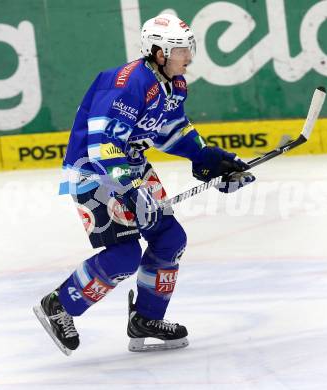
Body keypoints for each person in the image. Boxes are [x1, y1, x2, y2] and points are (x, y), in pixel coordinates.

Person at [33, 13, 255, 355]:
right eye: (180, 49)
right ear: (158, 51)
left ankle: (146, 318)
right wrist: (132, 191)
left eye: (188, 48)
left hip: (132, 166)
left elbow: (172, 133)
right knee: (123, 255)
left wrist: (211, 160)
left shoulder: (174, 84)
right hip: (94, 172)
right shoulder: (126, 83)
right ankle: (59, 304)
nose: (189, 56)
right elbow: (102, 147)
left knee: (170, 238)